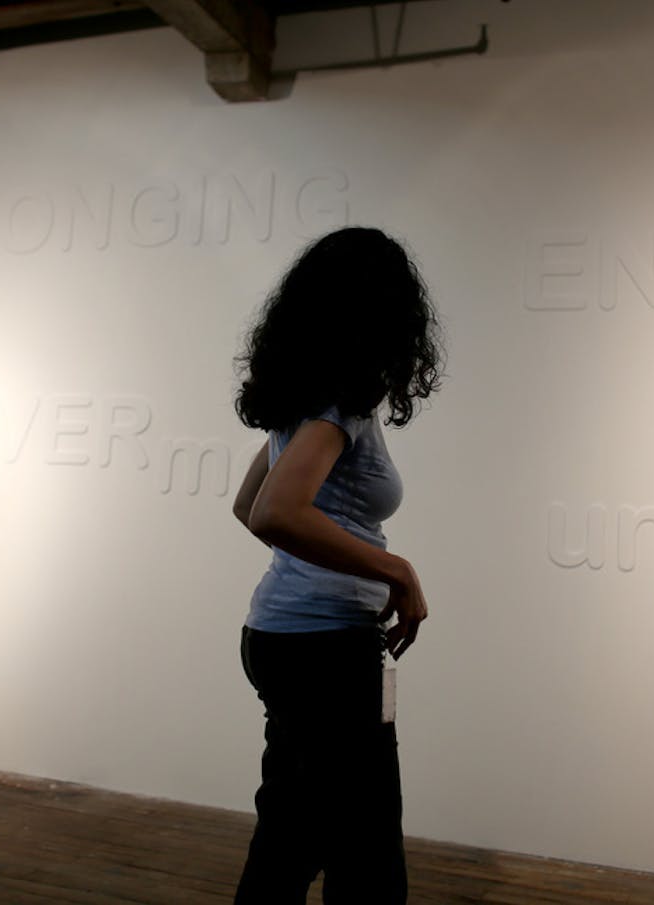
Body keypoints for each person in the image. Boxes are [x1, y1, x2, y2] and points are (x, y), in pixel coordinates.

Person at [229, 226, 443, 904]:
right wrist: (395, 569)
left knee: (293, 837)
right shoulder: (338, 407)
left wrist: (332, 568)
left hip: (287, 639)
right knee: (365, 858)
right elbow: (271, 513)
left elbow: (249, 504)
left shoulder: (305, 405)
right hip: (324, 652)